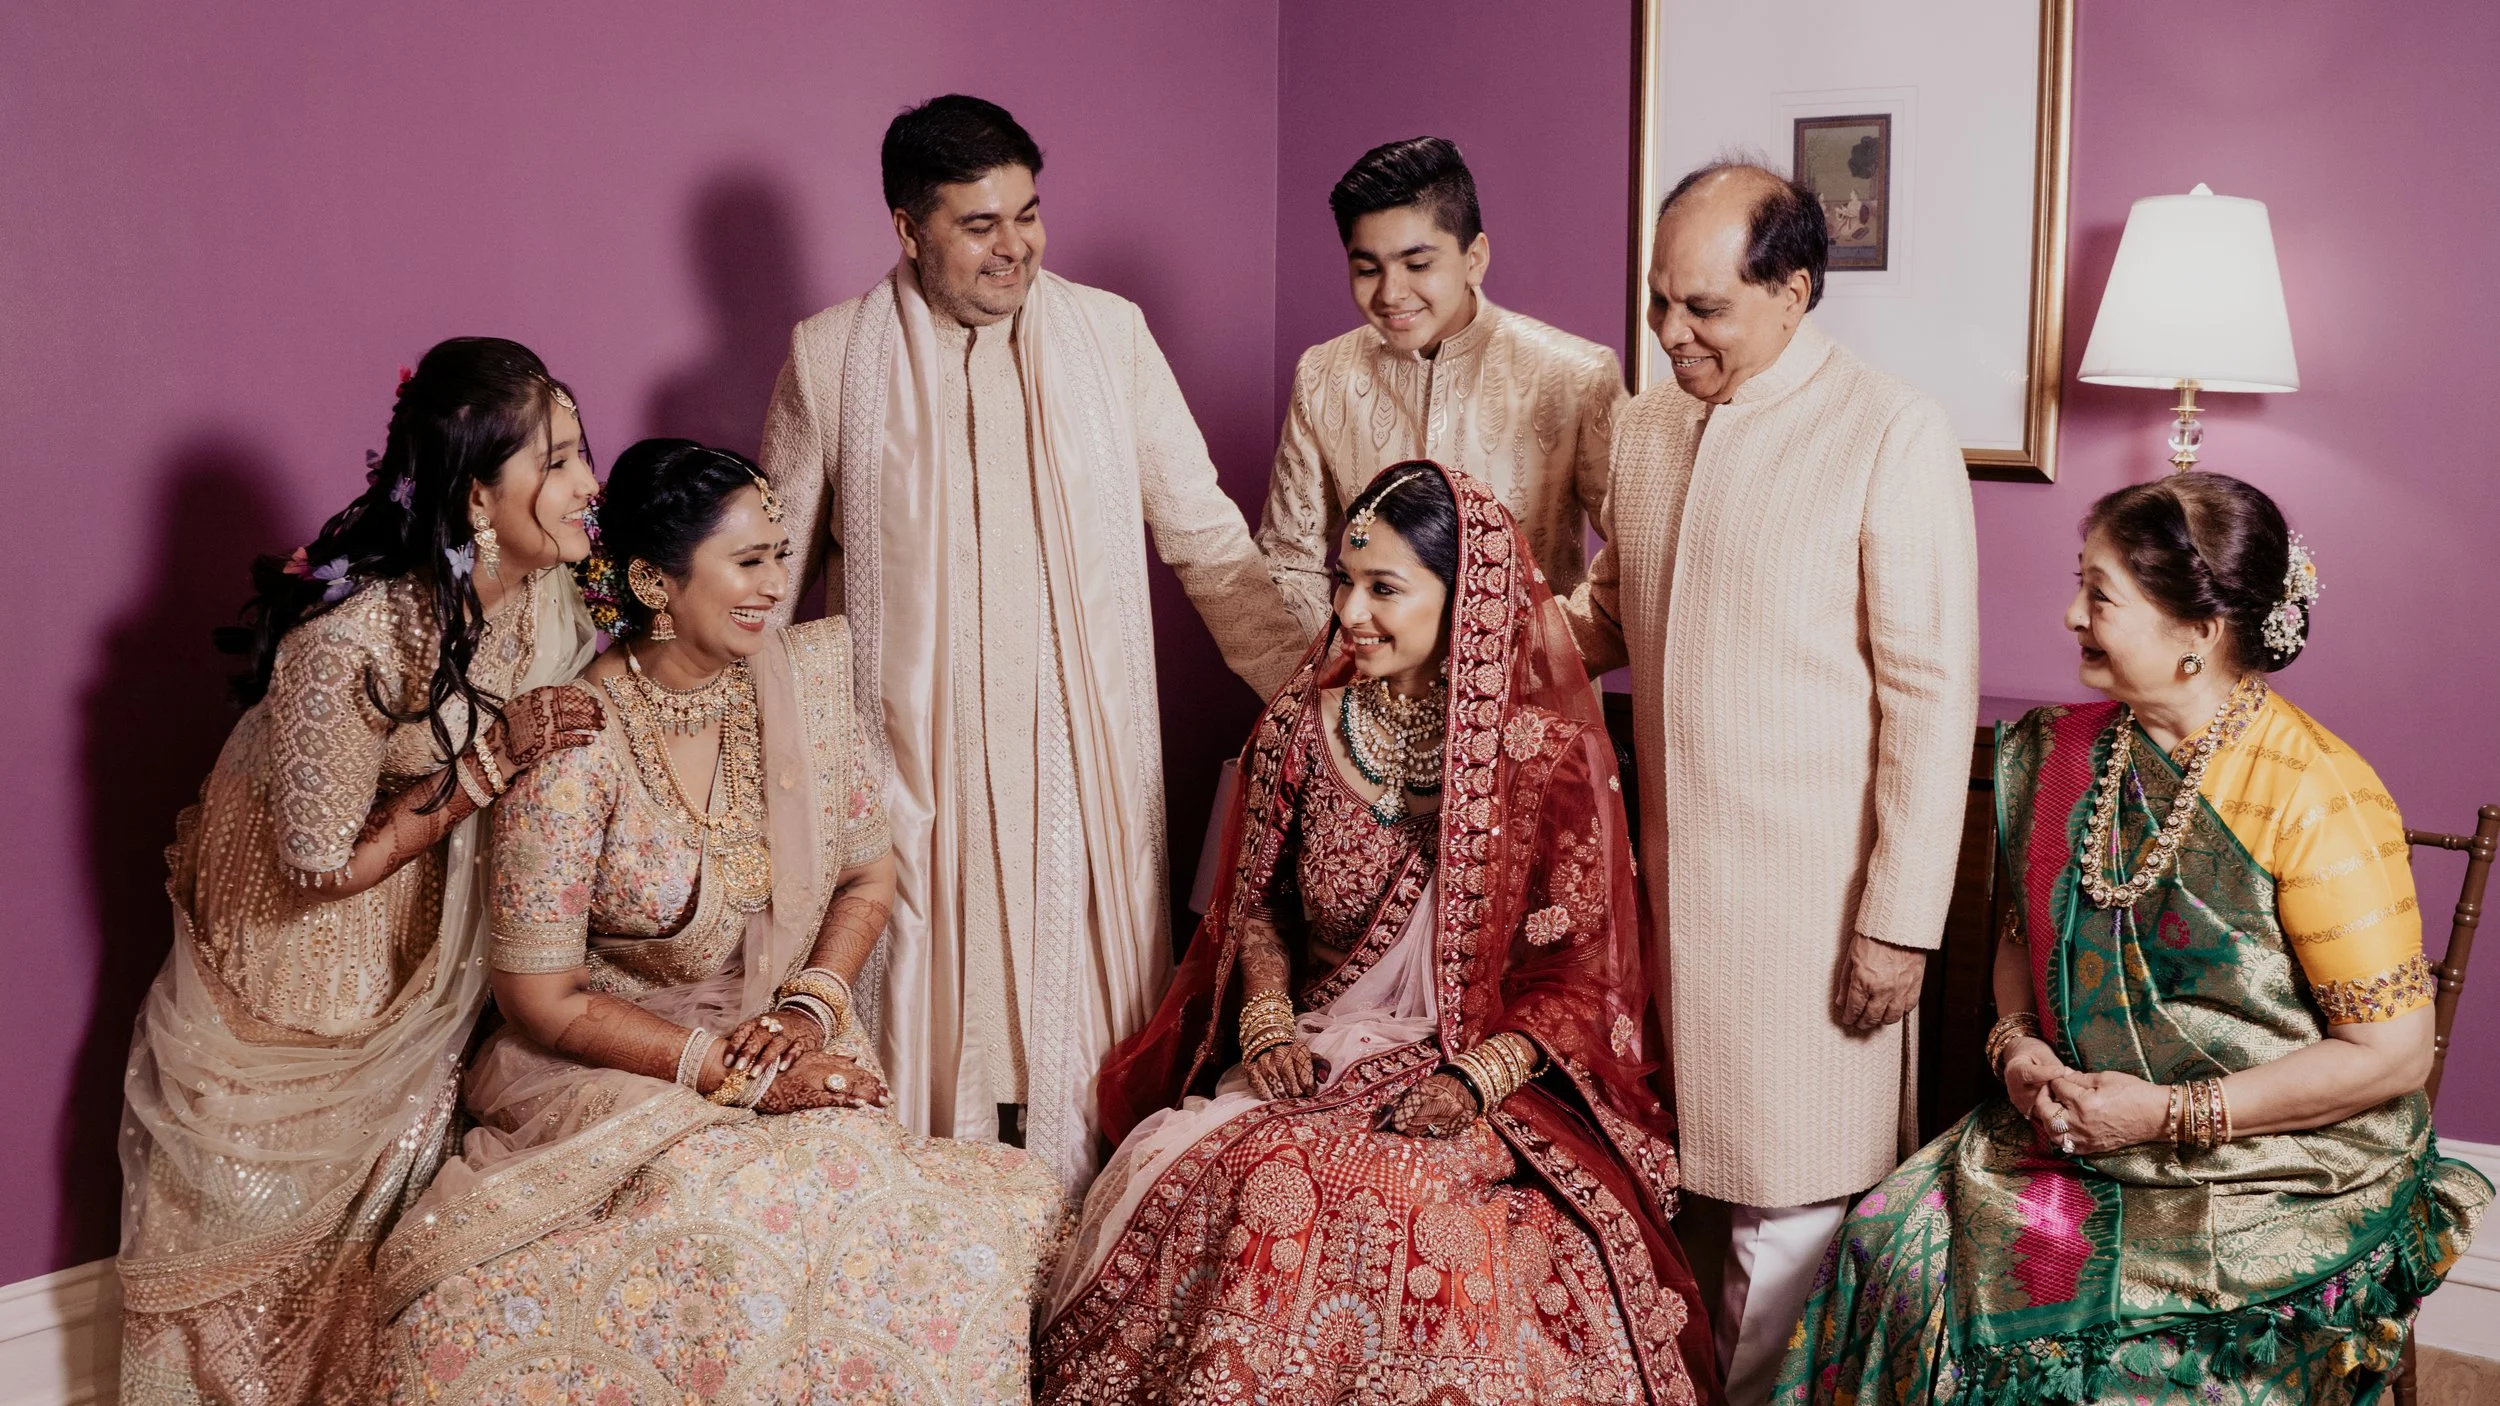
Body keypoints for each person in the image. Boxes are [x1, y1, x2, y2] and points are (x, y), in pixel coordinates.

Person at [1777, 471, 2491, 1405]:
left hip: (2270, 1165)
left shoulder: (2316, 792)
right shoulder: (2065, 750)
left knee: (2110, 1366)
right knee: (1885, 1251)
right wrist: (2019, 1045)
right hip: (2073, 1127)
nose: (2072, 612)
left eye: (2101, 593)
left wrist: (2166, 1115)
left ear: (2198, 632)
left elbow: (2393, 1054)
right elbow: (2015, 937)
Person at [374, 440, 1067, 1401]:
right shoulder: (579, 740)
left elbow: (868, 878)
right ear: (657, 580)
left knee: (921, 1228)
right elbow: (539, 999)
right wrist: (726, 1074)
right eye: (749, 561)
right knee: (727, 1225)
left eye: (781, 554)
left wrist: (802, 1018)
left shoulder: (803, 692)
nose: (777, 585)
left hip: (785, 1041)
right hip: (610, 1064)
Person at [1039, 462, 1719, 1405]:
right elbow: (1259, 903)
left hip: (1490, 1073)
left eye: (1385, 588)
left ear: (1466, 599)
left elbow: (1582, 978)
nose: (1352, 613)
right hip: (1314, 1046)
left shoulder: (1543, 761)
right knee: (1241, 1172)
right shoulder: (1299, 729)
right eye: (1343, 584)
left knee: (1407, 1201)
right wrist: (1268, 1014)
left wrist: (1470, 1080)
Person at [759, 94, 1307, 1189]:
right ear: (908, 230)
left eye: (1029, 213)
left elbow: (1206, 542)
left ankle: (1073, 1292)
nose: (1015, 245)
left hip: (1081, 782)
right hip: (910, 784)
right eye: (978, 224)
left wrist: (1321, 691)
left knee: (1077, 1045)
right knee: (922, 1035)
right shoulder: (830, 360)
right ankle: (929, 1298)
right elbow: (760, 587)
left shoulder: (1110, 338)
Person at [116, 338, 605, 1405]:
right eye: (558, 462)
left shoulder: (551, 582)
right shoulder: (356, 636)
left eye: (582, 452)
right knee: (264, 1215)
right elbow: (315, 861)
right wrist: (489, 761)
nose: (587, 485)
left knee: (387, 1231)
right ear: (480, 495)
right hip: (297, 938)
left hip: (411, 923)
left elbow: (621, 634)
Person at [1561, 161, 1980, 1403]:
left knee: (1788, 1207)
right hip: (1667, 896)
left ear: (1794, 291)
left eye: (1703, 308)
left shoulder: (1887, 430)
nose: (1670, 333)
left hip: (1815, 905)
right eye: (1656, 303)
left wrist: (1898, 924)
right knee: (1675, 1184)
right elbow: (1606, 615)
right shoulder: (1646, 422)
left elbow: (1927, 695)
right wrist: (1448, 625)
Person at [1258, 136, 1625, 634]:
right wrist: (1331, 680)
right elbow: (1288, 557)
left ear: (1474, 257)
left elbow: (1637, 561)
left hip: (1530, 697)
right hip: (1365, 700)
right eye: (1367, 269)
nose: (1390, 293)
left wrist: (1545, 656)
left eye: (1417, 265)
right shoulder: (1324, 375)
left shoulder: (1575, 375)